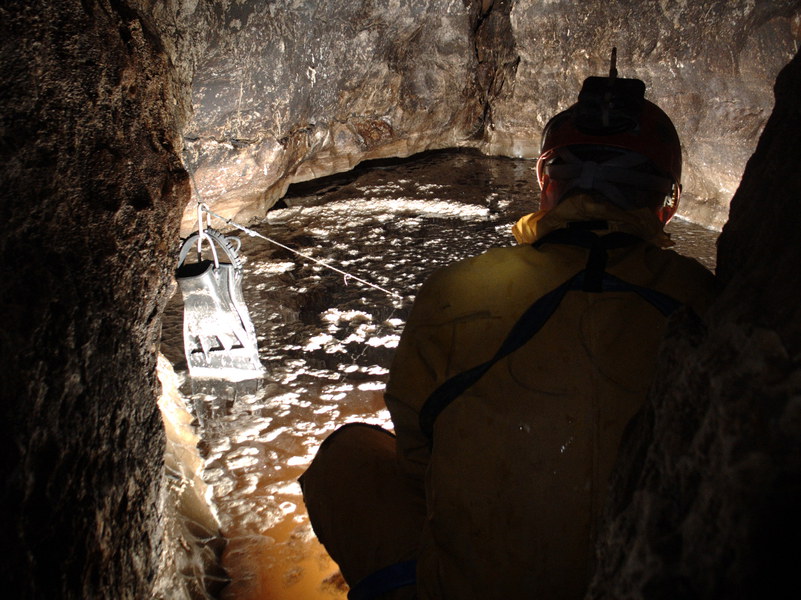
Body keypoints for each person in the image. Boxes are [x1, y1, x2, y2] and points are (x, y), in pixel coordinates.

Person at [300, 65, 715, 600]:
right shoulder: (705, 299)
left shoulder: (459, 289)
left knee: (350, 456)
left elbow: (419, 454)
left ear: (547, 180)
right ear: (668, 202)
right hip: (648, 578)